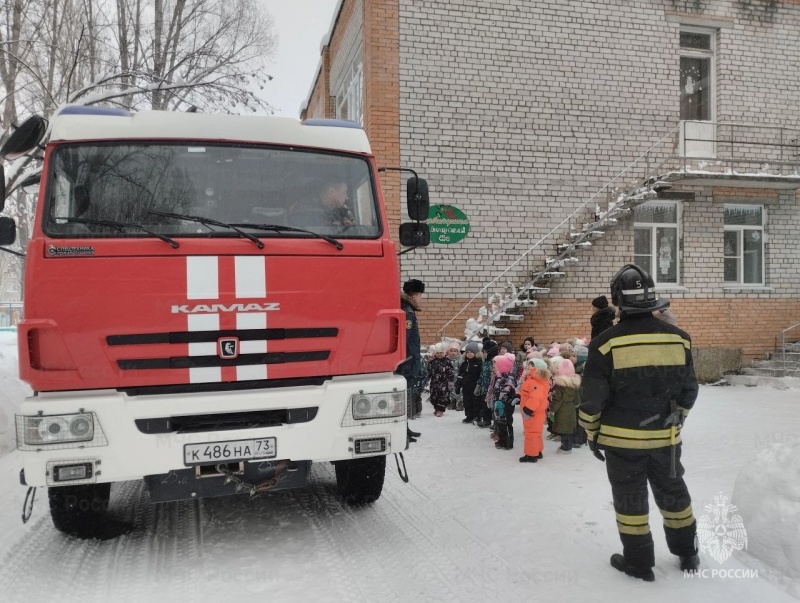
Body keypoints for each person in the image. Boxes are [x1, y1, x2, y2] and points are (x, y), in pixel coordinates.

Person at [580, 264, 700, 582]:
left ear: (619, 300)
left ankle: (638, 562)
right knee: (674, 494)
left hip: (622, 443)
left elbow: (591, 401)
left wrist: (592, 433)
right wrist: (677, 421)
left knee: (630, 499)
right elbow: (689, 390)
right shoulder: (680, 340)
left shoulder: (605, 343)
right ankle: (688, 553)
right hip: (666, 438)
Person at [399, 279, 425, 443]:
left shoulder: (405, 308)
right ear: (415, 294)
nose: (420, 298)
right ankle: (402, 432)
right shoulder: (407, 311)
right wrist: (409, 360)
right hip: (406, 362)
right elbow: (405, 339)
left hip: (407, 360)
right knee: (403, 398)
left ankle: (404, 429)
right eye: (420, 294)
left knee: (404, 397)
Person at [519, 357, 551, 462]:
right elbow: (526, 393)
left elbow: (535, 397)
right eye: (528, 364)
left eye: (531, 365)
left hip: (532, 413)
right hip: (535, 413)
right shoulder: (532, 379)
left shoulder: (535, 382)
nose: (528, 367)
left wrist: (528, 410)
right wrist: (517, 396)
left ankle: (531, 455)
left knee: (531, 434)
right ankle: (538, 451)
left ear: (537, 368)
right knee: (536, 433)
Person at [550, 355, 581, 454]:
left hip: (562, 411)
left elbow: (557, 400)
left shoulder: (559, 386)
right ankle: (567, 447)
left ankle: (565, 448)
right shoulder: (574, 384)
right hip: (571, 410)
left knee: (563, 430)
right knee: (569, 429)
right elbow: (577, 400)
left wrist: (552, 409)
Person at [454, 341, 483, 423]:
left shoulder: (479, 363)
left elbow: (480, 374)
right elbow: (460, 375)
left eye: (472, 352)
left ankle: (477, 416)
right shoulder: (464, 363)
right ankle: (469, 416)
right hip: (466, 386)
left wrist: (479, 384)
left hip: (475, 386)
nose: (469, 354)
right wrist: (458, 385)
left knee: (476, 402)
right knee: (467, 402)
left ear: (476, 353)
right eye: (468, 352)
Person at [427, 343, 454, 416]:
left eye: (441, 353)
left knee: (443, 397)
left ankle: (440, 410)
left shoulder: (447, 362)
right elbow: (429, 371)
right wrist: (427, 378)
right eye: (437, 353)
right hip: (434, 383)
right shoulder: (432, 362)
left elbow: (451, 372)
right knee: (434, 396)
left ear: (444, 353)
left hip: (444, 383)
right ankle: (436, 408)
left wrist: (450, 382)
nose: (439, 354)